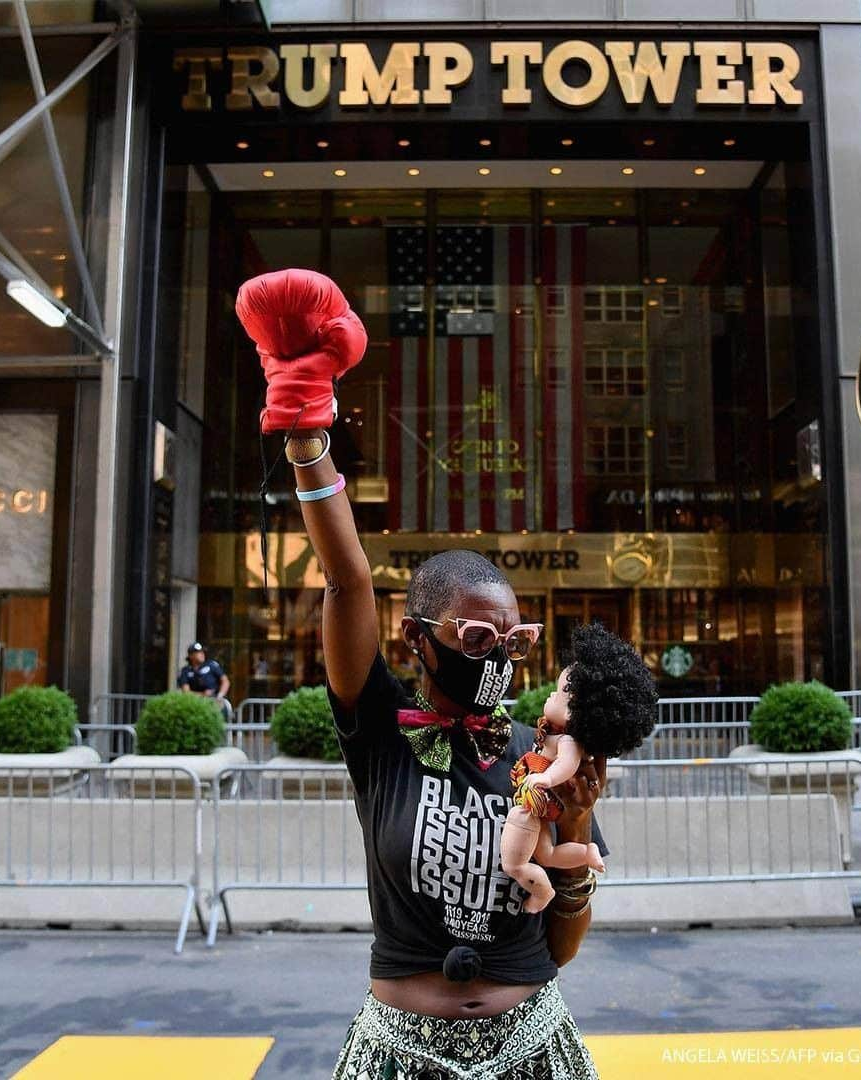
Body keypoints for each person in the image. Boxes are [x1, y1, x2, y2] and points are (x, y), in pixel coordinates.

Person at [236, 268, 611, 1079]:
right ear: (417, 640)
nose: (499, 661)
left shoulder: (539, 757)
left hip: (531, 1048)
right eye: (478, 638)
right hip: (398, 1054)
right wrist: (306, 438)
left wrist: (575, 832)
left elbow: (562, 946)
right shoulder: (380, 733)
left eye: (514, 645)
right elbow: (348, 581)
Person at [501, 624, 657, 914]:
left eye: (558, 694)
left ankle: (542, 890)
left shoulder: (569, 742)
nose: (549, 696)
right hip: (541, 803)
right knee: (545, 854)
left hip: (534, 802)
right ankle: (586, 852)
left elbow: (565, 765)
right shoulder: (555, 733)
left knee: (514, 862)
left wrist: (545, 778)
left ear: (576, 712)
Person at [176, 643, 231, 709]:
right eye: (198, 652)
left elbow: (225, 681)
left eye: (202, 651)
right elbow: (186, 692)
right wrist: (203, 694)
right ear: (191, 655)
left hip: (216, 702)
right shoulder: (186, 670)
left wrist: (220, 695)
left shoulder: (211, 665)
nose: (202, 654)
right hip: (196, 703)